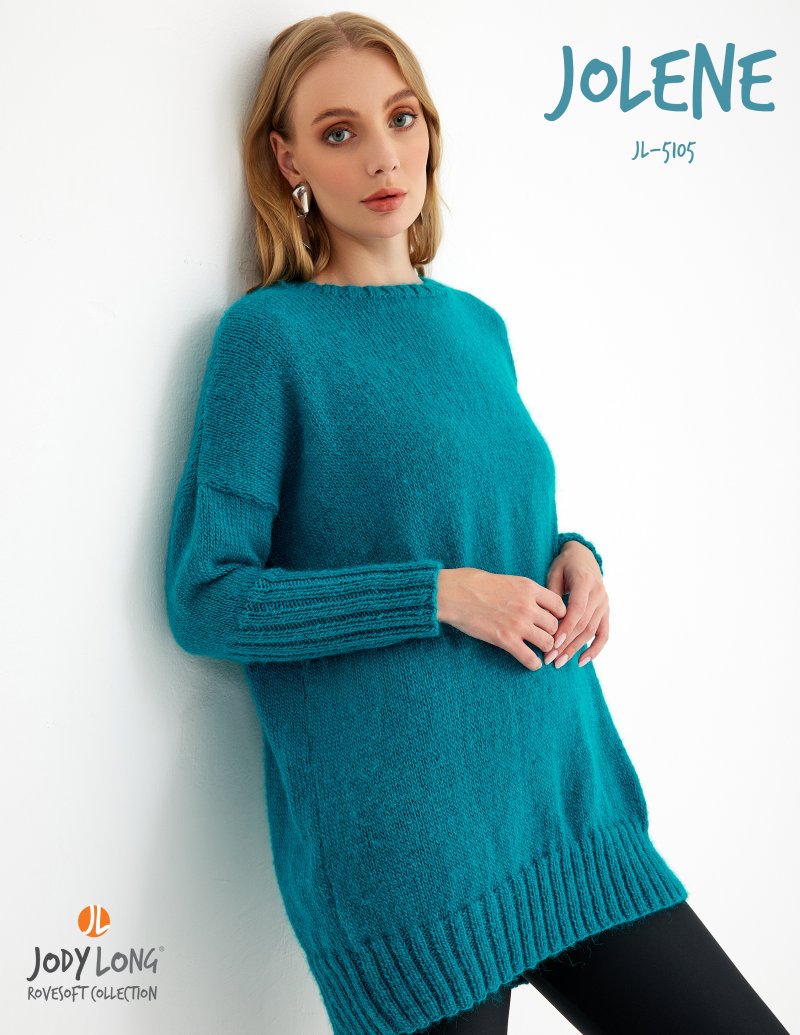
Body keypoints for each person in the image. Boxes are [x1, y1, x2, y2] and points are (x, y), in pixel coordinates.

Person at [164, 12, 790, 1035]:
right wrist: (437, 595)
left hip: (562, 808)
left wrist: (576, 554)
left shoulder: (476, 325)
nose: (381, 155)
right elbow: (209, 596)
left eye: (400, 117)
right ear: (287, 162)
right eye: (337, 132)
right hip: (414, 857)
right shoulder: (269, 337)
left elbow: (485, 509)